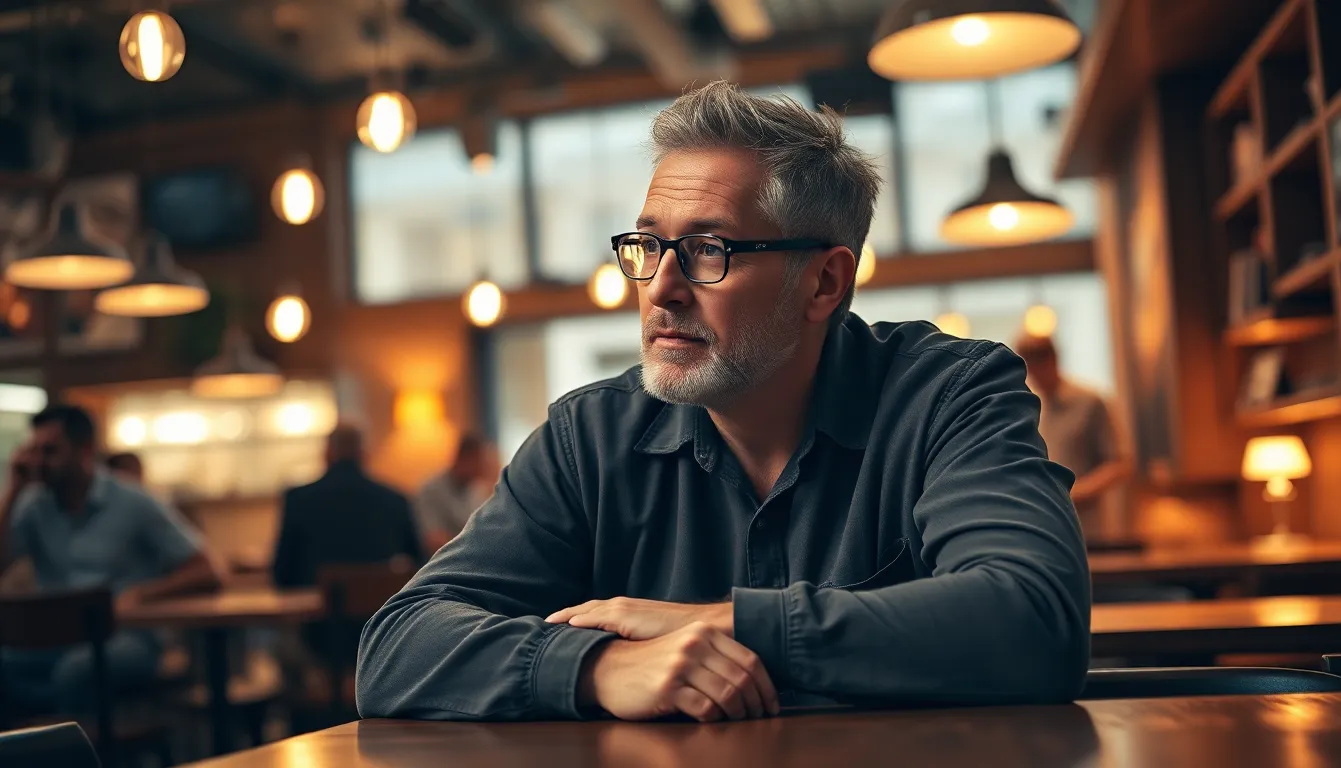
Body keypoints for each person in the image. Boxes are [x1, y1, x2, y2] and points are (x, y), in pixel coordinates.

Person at [357, 82, 1089, 723]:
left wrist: (730, 626)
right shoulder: (589, 438)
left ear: (825, 284)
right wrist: (596, 668)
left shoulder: (948, 394)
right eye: (648, 247)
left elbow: (1034, 619)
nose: (661, 288)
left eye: (709, 251)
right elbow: (396, 648)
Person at [0, 405, 223, 715]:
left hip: (128, 638)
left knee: (75, 671)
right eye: (34, 450)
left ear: (85, 451)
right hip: (57, 638)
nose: (39, 462)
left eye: (50, 451)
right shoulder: (32, 505)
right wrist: (14, 489)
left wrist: (142, 594)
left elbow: (207, 570)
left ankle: (83, 756)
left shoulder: (133, 501)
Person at [271, 424, 424, 590]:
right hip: (379, 609)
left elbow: (282, 573)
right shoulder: (395, 499)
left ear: (327, 454)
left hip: (314, 611)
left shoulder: (298, 499)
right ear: (364, 455)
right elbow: (417, 564)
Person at [1014, 334, 1129, 543]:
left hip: (1086, 528)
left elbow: (1119, 463)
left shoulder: (1090, 403)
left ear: (1053, 360)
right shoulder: (1031, 406)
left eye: (1036, 366)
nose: (1032, 375)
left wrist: (1075, 492)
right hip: (1043, 526)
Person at [413, 433, 497, 553]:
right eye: (482, 461)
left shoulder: (478, 490)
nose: (485, 467)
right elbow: (434, 540)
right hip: (443, 564)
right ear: (465, 458)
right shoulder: (431, 491)